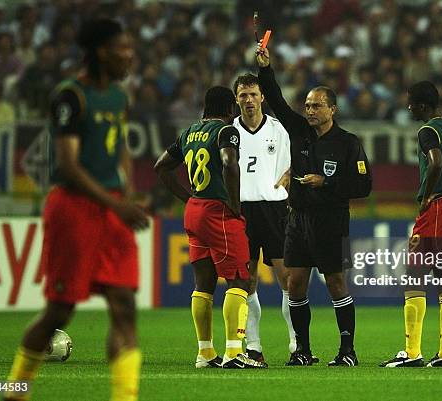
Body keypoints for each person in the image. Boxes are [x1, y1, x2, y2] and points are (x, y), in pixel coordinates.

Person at [4, 19, 149, 401]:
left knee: (124, 305)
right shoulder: (71, 96)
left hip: (112, 208)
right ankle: (14, 391)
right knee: (58, 313)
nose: (130, 55)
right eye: (123, 48)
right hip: (74, 209)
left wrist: (128, 191)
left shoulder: (119, 97)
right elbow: (68, 165)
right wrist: (116, 202)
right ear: (101, 51)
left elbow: (119, 146)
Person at [255, 44, 372, 367]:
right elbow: (276, 101)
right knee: (294, 283)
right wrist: (266, 70)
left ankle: (347, 351)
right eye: (307, 105)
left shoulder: (348, 143)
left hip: (331, 220)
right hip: (298, 218)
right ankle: (302, 351)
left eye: (316, 106)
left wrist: (327, 182)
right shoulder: (299, 132)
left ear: (332, 109)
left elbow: (364, 186)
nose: (309, 111)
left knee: (335, 283)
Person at [154, 86, 266, 369]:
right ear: (230, 108)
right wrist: (235, 204)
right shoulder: (226, 131)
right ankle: (233, 352)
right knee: (240, 279)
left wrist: (187, 197)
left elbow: (161, 167)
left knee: (203, 284)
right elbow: (229, 163)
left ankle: (205, 352)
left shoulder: (189, 132)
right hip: (218, 211)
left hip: (194, 211)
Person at [380, 81, 442, 368]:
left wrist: (428, 194)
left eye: (411, 103)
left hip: (440, 207)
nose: (408, 107)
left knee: (413, 277)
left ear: (422, 105)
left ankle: (412, 352)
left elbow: (435, 162)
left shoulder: (427, 131)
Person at [232, 73, 296, 363]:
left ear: (262, 98)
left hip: (274, 210)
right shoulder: (229, 133)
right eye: (243, 95)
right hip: (242, 210)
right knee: (247, 281)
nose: (248, 100)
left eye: (253, 94)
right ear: (236, 99)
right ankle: (254, 346)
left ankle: (297, 345)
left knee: (288, 279)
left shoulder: (278, 129)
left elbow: (291, 166)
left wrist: (289, 178)